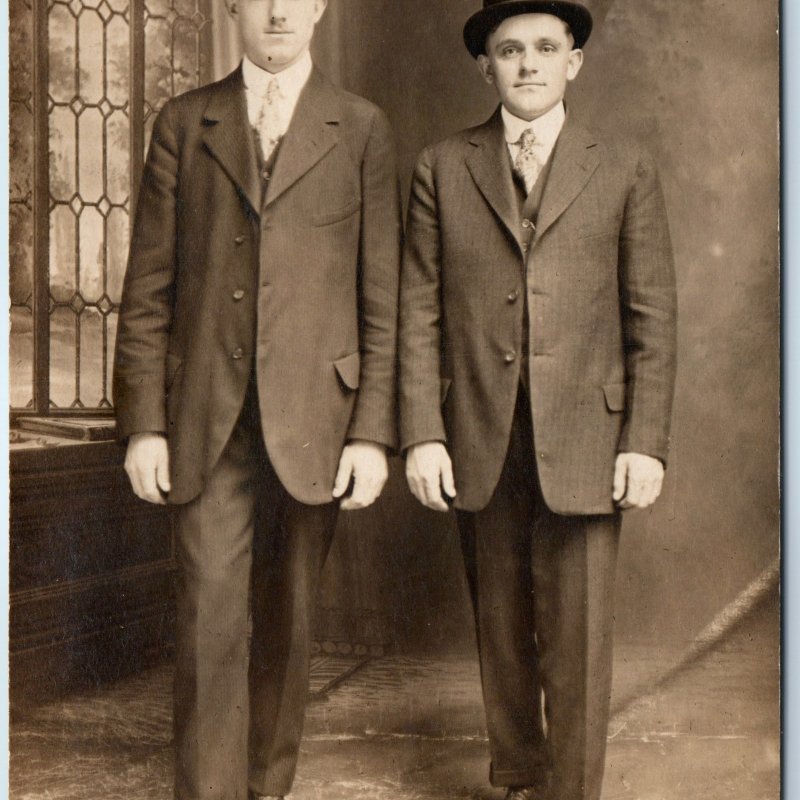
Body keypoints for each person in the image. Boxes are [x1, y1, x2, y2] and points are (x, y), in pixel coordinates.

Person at [113, 0, 401, 796]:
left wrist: (373, 433)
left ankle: (265, 789)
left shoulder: (362, 127)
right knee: (207, 620)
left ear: (319, 9)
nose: (277, 10)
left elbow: (383, 294)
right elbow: (147, 292)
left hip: (319, 419)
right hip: (206, 416)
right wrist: (143, 425)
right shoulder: (184, 121)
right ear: (233, 10)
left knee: (289, 620)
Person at [398, 2, 677, 799]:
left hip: (590, 433)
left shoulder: (622, 165)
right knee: (503, 627)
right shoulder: (443, 167)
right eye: (509, 50)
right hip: (480, 431)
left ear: (574, 63)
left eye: (545, 49)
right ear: (485, 66)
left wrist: (644, 439)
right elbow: (418, 308)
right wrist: (422, 433)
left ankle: (573, 790)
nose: (527, 65)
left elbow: (652, 315)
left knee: (579, 637)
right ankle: (519, 777)